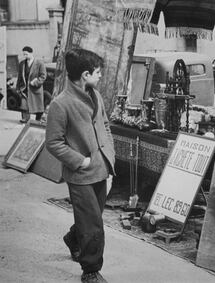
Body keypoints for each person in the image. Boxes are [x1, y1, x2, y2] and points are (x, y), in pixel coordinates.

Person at [46, 49, 115, 283]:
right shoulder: (60, 104)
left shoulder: (96, 95)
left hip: (101, 168)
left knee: (91, 216)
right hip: (80, 174)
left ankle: (73, 239)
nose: (100, 76)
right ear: (85, 74)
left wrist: (109, 160)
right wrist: (80, 160)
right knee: (93, 224)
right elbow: (53, 143)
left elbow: (105, 126)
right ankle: (91, 271)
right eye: (97, 73)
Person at [16, 46, 46, 123]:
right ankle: (25, 119)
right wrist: (17, 87)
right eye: (24, 54)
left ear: (31, 53)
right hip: (24, 88)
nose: (25, 56)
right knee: (24, 104)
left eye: (26, 54)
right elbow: (19, 77)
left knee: (38, 106)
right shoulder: (22, 64)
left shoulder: (39, 63)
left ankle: (38, 120)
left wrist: (35, 82)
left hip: (35, 89)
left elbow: (43, 76)